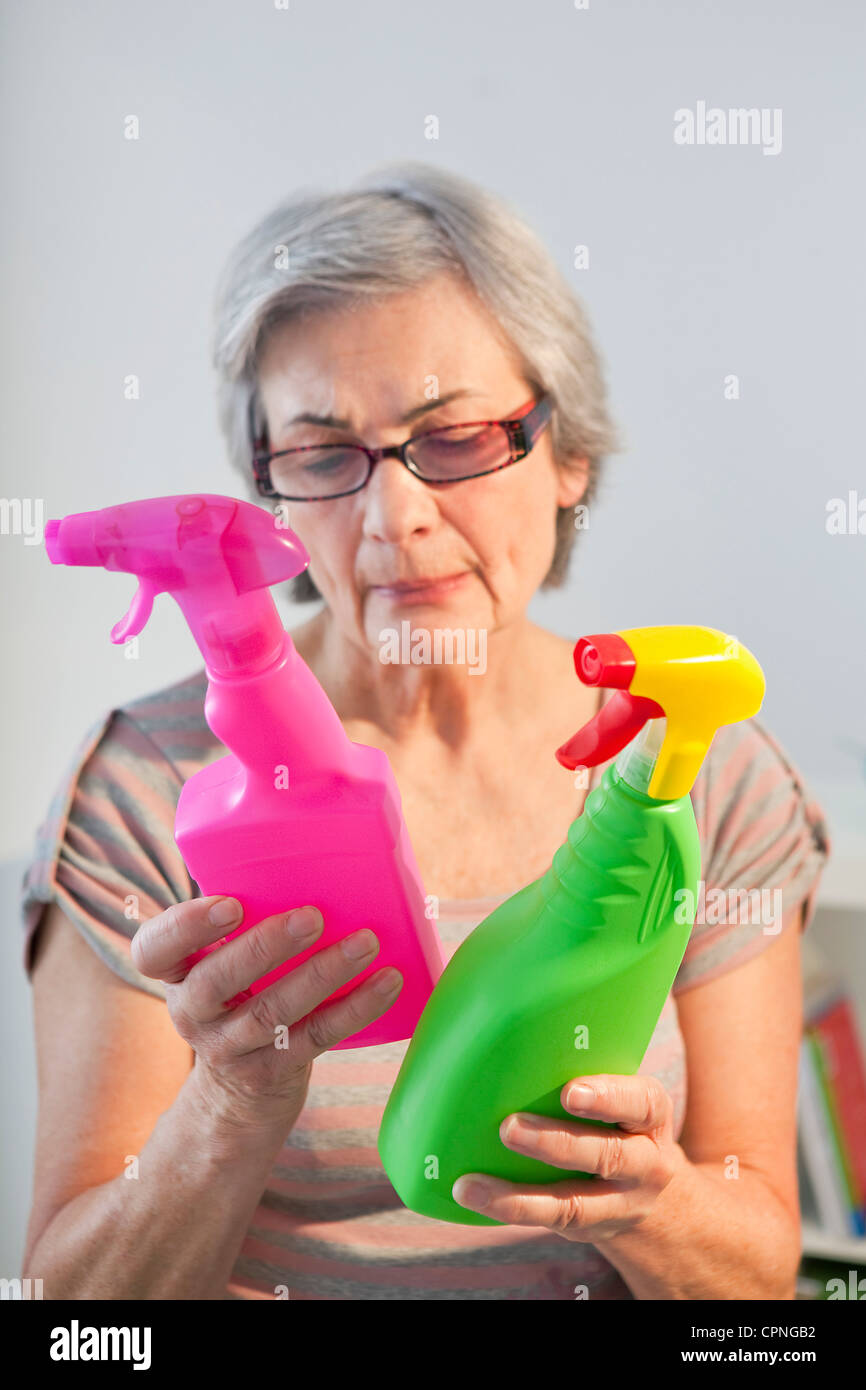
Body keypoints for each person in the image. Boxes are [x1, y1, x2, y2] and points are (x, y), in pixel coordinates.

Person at [20, 163, 829, 1300]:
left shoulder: (700, 771)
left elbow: (753, 1290)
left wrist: (651, 1204)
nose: (394, 514)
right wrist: (229, 1105)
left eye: (452, 439)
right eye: (321, 454)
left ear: (567, 455)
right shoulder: (148, 786)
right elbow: (69, 1319)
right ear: (273, 498)